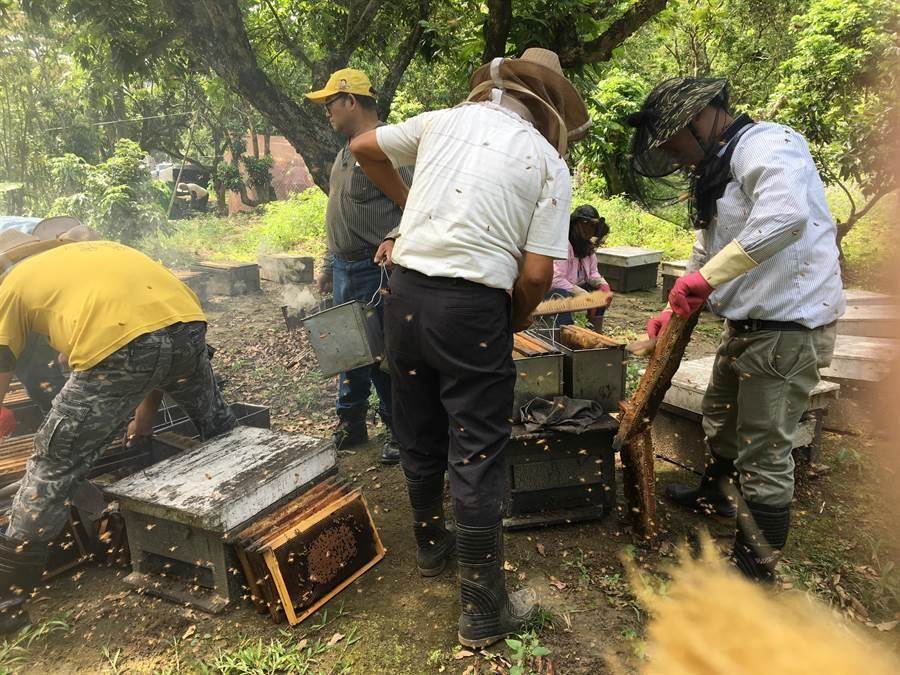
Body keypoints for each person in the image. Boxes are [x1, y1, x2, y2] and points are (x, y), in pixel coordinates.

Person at [350, 48, 589, 647]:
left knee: (418, 423)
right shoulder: (547, 161)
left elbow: (363, 149)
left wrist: (410, 210)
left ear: (493, 89)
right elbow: (535, 276)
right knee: (478, 449)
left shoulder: (442, 121)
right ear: (549, 107)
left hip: (403, 295)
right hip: (473, 307)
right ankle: (483, 610)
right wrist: (508, 320)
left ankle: (432, 546)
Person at [626, 77, 845, 581]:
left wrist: (706, 280)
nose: (673, 156)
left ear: (701, 118)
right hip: (746, 326)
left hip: (786, 327)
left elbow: (785, 218)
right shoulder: (716, 169)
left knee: (765, 449)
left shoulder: (769, 145)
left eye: (673, 143)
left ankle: (755, 567)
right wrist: (675, 306)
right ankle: (718, 494)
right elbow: (708, 250)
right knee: (720, 415)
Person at [0, 231, 237, 632]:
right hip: (187, 322)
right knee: (218, 425)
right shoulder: (95, 256)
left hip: (121, 341)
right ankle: (249, 522)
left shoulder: (11, 285)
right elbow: (156, 351)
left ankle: (8, 597)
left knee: (52, 466)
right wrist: (143, 421)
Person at [306, 68, 413, 465]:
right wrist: (327, 262)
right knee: (347, 350)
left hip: (377, 270)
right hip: (344, 267)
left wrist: (395, 235)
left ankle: (398, 432)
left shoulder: (390, 146)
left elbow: (419, 203)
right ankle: (351, 423)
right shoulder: (345, 150)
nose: (327, 112)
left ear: (351, 100)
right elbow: (335, 210)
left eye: (330, 104)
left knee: (382, 354)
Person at [546, 204, 613, 331]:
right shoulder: (564, 245)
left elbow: (592, 273)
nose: (591, 230)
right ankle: (565, 333)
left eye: (593, 226)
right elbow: (556, 280)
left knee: (600, 293)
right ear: (577, 224)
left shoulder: (586, 246)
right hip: (551, 292)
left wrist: (602, 285)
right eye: (588, 225)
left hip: (573, 288)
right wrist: (584, 295)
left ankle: (594, 330)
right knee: (562, 295)